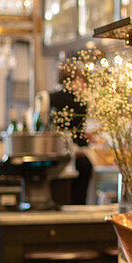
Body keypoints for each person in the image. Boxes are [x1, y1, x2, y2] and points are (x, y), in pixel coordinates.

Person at [49, 56, 93, 204]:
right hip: (77, 159)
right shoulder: (80, 101)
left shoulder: (50, 98)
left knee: (58, 199)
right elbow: (78, 134)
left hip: (53, 160)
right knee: (78, 201)